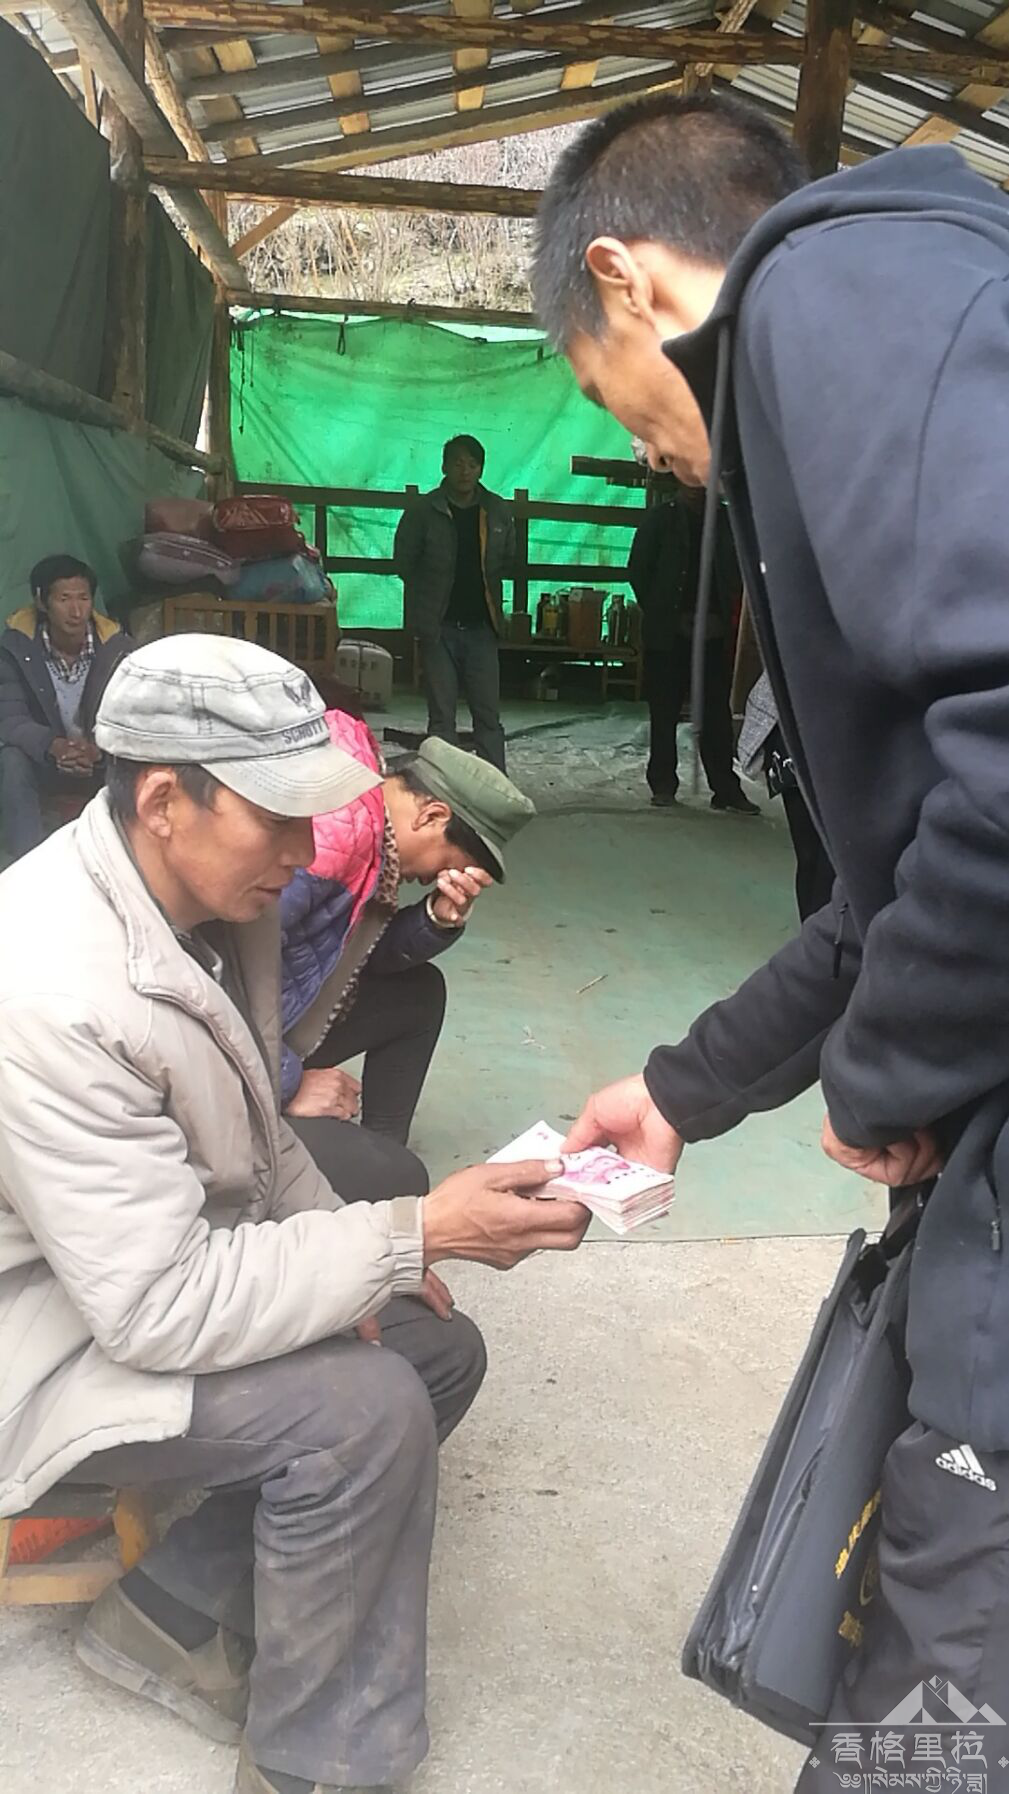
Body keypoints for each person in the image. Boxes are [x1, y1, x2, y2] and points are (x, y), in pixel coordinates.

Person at [532, 91, 1009, 1776]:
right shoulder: (930, 309)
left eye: (617, 400)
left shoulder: (834, 295)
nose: (661, 457)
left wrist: (886, 1074)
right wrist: (684, 1085)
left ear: (629, 277)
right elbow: (898, 880)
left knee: (941, 1675)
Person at [0, 633, 589, 1794]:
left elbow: (260, 1141)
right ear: (164, 800)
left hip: (145, 1268)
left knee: (432, 1345)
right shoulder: (53, 988)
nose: (305, 850)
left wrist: (381, 1268)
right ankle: (315, 1760)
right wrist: (414, 1232)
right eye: (277, 818)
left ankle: (172, 1616)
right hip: (50, 1335)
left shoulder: (220, 902)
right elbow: (155, 1309)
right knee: (364, 1408)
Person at [281, 713, 535, 1185]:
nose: (438, 877)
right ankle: (373, 1170)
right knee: (401, 1182)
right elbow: (217, 988)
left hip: (270, 1031)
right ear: (432, 816)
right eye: (449, 863)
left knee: (418, 994)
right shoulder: (332, 843)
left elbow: (352, 960)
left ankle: (379, 1151)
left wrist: (434, 918)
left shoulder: (366, 822)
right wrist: (287, 1084)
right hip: (218, 1068)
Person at [628, 475, 758, 813]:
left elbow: (742, 574)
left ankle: (725, 789)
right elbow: (638, 571)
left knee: (715, 715)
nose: (696, 486)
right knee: (664, 711)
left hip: (714, 633)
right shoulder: (660, 519)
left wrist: (723, 619)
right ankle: (663, 784)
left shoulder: (728, 522)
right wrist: (667, 616)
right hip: (669, 635)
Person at [394, 433, 514, 772]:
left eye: (472, 464)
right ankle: (443, 786)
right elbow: (403, 562)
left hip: (482, 627)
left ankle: (494, 786)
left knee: (488, 716)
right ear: (444, 467)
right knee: (441, 717)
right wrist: (425, 604)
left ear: (481, 469)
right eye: (458, 463)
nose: (465, 471)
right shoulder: (423, 511)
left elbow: (508, 559)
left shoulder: (496, 510)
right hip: (439, 628)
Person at [0, 553, 130, 858]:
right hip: (44, 759)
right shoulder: (14, 649)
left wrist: (97, 749)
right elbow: (9, 717)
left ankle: (124, 861)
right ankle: (26, 862)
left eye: (83, 598)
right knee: (11, 759)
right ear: (41, 602)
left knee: (139, 757)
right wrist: (53, 746)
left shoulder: (117, 649)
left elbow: (131, 715)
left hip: (100, 760)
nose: (76, 611)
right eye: (64, 599)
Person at [738, 670, 834, 919]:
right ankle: (813, 933)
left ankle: (819, 934)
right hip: (796, 729)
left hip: (843, 732)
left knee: (829, 857)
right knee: (811, 854)